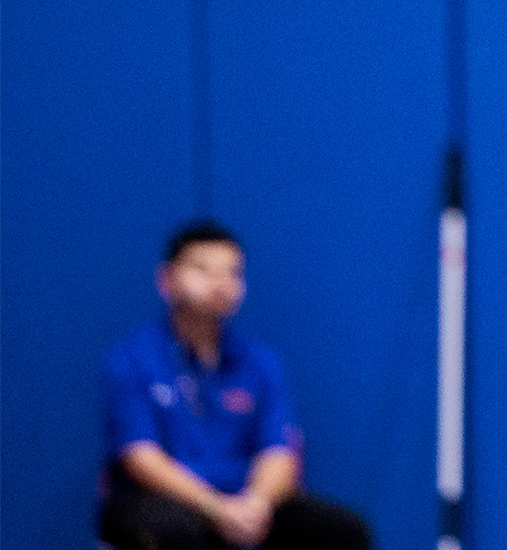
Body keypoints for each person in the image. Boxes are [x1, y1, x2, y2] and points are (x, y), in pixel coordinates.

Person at [98, 221, 371, 550]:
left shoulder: (260, 361)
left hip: (245, 501)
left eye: (232, 272)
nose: (220, 283)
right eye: (202, 269)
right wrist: (214, 508)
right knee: (174, 532)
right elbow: (141, 457)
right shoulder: (133, 358)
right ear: (166, 280)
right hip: (166, 500)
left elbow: (279, 452)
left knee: (339, 529)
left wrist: (256, 504)